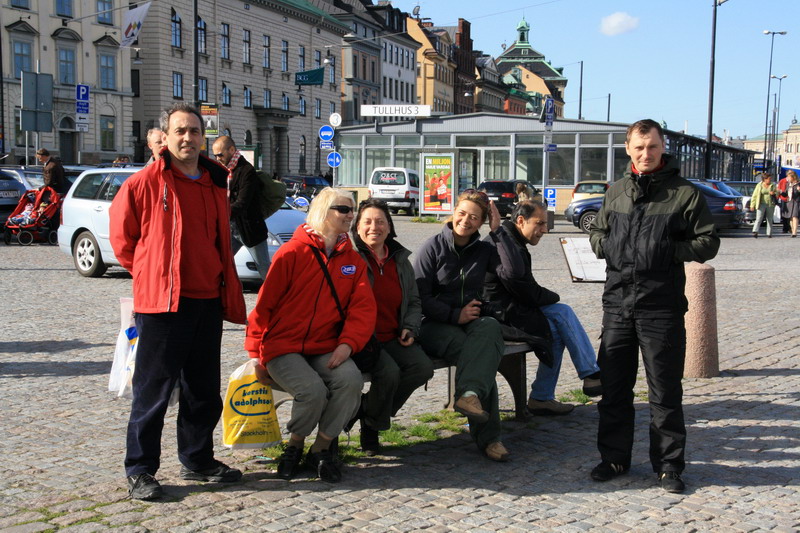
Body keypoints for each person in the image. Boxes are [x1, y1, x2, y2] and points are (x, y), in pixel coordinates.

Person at [109, 103, 247, 501]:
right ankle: (139, 470)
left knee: (202, 391)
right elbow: (124, 243)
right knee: (153, 392)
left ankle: (197, 459)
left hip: (207, 301)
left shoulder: (214, 181)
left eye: (194, 131)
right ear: (165, 137)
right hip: (163, 305)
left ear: (203, 137)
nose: (187, 138)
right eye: (180, 131)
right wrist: (154, 274)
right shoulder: (143, 184)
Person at [589, 119, 720, 494]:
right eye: (639, 147)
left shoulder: (683, 193)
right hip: (617, 304)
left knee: (664, 392)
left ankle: (668, 465)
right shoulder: (616, 192)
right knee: (614, 389)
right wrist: (605, 245)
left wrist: (667, 251)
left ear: (663, 148)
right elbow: (598, 232)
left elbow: (708, 242)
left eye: (653, 147)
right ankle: (613, 457)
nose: (646, 154)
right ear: (628, 149)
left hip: (660, 307)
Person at [245, 188, 375, 483]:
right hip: (283, 345)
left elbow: (363, 310)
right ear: (324, 211)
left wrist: (347, 345)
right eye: (343, 209)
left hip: (326, 344)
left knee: (350, 381)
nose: (350, 215)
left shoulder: (351, 259)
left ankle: (321, 448)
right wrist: (255, 353)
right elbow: (265, 305)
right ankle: (295, 446)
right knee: (312, 391)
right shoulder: (292, 252)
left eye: (352, 209)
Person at [414, 189, 522, 462]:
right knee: (478, 357)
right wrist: (454, 315)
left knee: (489, 328)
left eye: (475, 217)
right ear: (453, 212)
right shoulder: (433, 247)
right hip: (433, 324)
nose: (466, 220)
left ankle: (469, 395)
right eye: (462, 213)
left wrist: (498, 233)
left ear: (483, 221)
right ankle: (490, 438)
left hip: (469, 322)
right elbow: (420, 297)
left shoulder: (485, 249)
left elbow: (513, 273)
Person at [483, 200, 602, 417]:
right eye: (539, 223)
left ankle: (544, 396)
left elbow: (524, 289)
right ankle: (586, 375)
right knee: (560, 315)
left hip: (511, 309)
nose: (544, 230)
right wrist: (553, 296)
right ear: (520, 221)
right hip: (499, 315)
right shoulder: (504, 243)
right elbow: (524, 289)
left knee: (557, 326)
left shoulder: (512, 240)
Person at [349, 198, 434, 455]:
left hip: (394, 335)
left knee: (422, 368)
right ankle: (372, 428)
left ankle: (367, 411)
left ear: (389, 226)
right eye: (367, 222)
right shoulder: (350, 258)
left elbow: (415, 300)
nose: (374, 227)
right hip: (364, 340)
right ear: (357, 227)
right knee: (389, 373)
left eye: (380, 221)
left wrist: (410, 326)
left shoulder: (400, 260)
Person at [212, 136, 271, 280]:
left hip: (250, 229)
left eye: (220, 154)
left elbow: (242, 203)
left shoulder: (246, 171)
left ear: (231, 150)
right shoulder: (223, 171)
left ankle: (280, 299)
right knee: (217, 262)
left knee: (264, 268)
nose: (218, 158)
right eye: (215, 156)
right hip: (231, 227)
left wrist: (220, 214)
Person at [750, 172, 777, 238]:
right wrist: (752, 205)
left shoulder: (773, 185)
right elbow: (755, 195)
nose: (770, 180)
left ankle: (769, 233)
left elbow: (777, 193)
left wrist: (774, 193)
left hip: (770, 204)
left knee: (769, 219)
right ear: (764, 179)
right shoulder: (759, 185)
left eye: (770, 179)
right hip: (761, 203)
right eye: (768, 179)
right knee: (759, 218)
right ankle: (755, 231)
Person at [780, 170, 800, 237]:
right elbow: (785, 194)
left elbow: (797, 193)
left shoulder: (798, 184)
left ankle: (794, 232)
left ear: (793, 177)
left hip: (796, 202)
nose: (788, 179)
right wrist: (780, 192)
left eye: (789, 177)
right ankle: (792, 230)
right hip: (789, 202)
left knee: (795, 216)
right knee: (791, 217)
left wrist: (799, 190)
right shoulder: (788, 184)